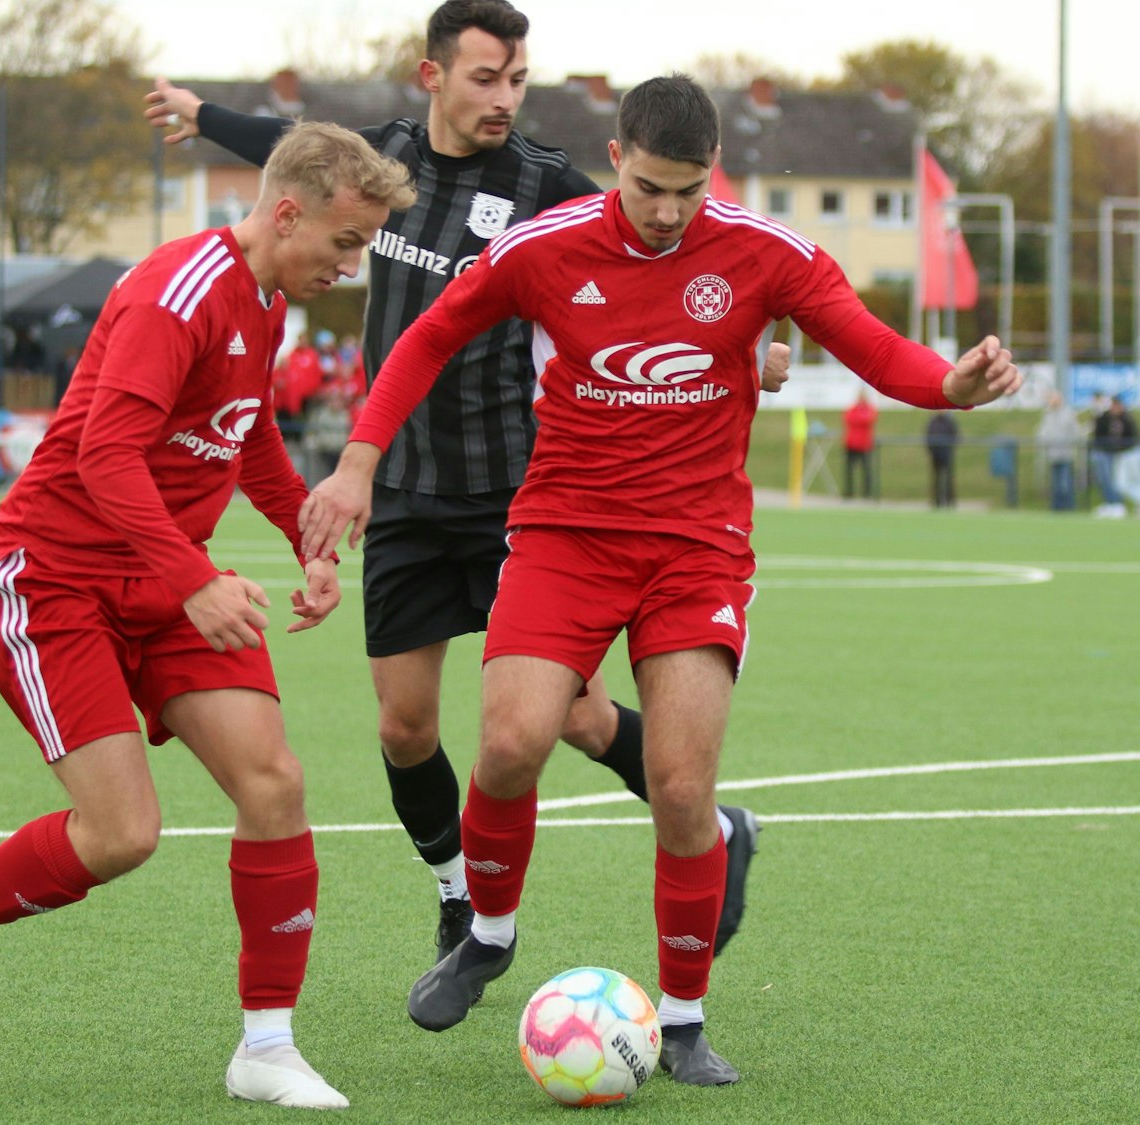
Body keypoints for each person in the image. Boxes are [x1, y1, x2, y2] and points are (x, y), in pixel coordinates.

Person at [298, 75, 1020, 1084]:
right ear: (615, 156)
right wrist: (359, 460)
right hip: (562, 534)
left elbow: (871, 347)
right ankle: (490, 935)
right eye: (648, 188)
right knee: (510, 740)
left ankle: (680, 1021)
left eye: (687, 189)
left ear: (709, 171)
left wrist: (948, 384)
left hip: (695, 549)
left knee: (681, 788)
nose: (668, 211)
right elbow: (425, 338)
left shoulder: (768, 254)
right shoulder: (541, 249)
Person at [146, 0, 778, 969]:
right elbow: (290, 149)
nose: (504, 98)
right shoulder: (382, 171)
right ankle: (457, 897)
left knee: (563, 716)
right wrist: (204, 116)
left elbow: (669, 248)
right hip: (401, 484)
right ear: (430, 73)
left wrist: (747, 345)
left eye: (517, 80)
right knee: (403, 727)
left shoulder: (546, 186)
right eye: (485, 78)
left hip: (513, 492)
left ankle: (703, 824)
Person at [0, 122, 417, 1110]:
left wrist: (304, 540)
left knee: (274, 784)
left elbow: (243, 431)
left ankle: (265, 1046)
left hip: (159, 580)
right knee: (123, 834)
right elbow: (102, 458)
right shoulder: (175, 295)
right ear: (287, 211)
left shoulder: (267, 304)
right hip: (52, 582)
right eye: (344, 245)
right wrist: (194, 581)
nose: (350, 268)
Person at [1035, 391, 1083, 511]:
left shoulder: (1068, 414)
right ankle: (1057, 508)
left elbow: (1076, 432)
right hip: (1053, 455)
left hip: (1066, 454)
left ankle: (1069, 507)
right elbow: (1042, 432)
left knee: (1065, 483)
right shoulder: (1048, 415)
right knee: (1055, 484)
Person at [842, 389, 878, 499]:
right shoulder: (853, 409)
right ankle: (849, 493)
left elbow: (868, 420)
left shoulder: (870, 409)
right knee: (849, 470)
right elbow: (848, 418)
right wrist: (860, 418)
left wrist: (860, 418)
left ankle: (867, 494)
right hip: (851, 443)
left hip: (865, 444)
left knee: (867, 470)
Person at [925, 411, 959, 507]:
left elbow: (955, 436)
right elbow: (928, 435)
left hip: (947, 453)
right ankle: (937, 502)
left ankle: (950, 501)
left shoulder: (950, 421)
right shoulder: (933, 421)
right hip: (935, 454)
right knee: (936, 479)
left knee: (949, 479)